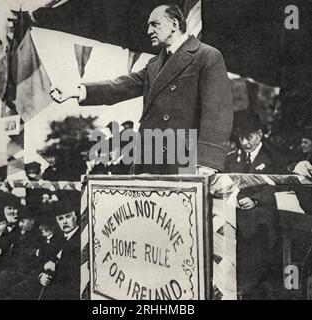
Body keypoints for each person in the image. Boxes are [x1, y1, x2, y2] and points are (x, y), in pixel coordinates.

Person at [50, 4, 233, 175]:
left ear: (174, 24)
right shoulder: (154, 63)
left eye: (154, 24)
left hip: (184, 160)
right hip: (149, 157)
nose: (148, 31)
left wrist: (208, 162)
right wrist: (77, 90)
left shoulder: (207, 56)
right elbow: (122, 86)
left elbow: (218, 113)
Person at [225, 110, 287, 299]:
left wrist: (256, 200)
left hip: (262, 223)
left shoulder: (273, 157)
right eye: (241, 138)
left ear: (259, 135)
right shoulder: (232, 159)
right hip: (236, 220)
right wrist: (234, 197)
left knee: (257, 268)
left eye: (249, 137)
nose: (244, 143)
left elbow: (277, 185)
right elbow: (226, 182)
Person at [38, 198, 80, 300]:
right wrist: (41, 276)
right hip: (51, 286)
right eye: (60, 219)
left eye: (68, 217)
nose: (64, 221)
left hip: (70, 291)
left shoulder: (82, 238)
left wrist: (56, 267)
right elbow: (45, 260)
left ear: (75, 217)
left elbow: (77, 271)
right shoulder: (58, 239)